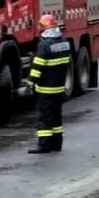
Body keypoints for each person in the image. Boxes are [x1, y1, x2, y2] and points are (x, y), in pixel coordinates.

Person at [26, 14, 72, 154]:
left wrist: (30, 84)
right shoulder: (64, 42)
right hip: (59, 88)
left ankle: (44, 145)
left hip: (46, 89)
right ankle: (57, 143)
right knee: (56, 116)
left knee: (44, 117)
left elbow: (37, 68)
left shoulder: (44, 45)